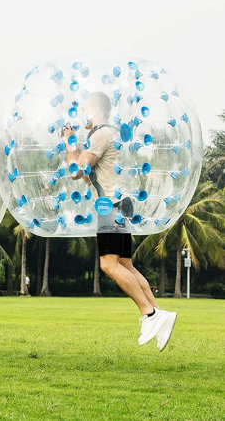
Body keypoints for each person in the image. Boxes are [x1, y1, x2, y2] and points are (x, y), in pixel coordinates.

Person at [63, 92, 176, 352]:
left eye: (85, 109)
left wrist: (70, 146)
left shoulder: (99, 134)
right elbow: (87, 164)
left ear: (94, 108)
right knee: (126, 264)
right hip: (121, 204)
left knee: (108, 265)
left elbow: (77, 172)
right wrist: (75, 145)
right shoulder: (109, 134)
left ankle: (149, 314)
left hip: (110, 206)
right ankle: (159, 314)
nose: (82, 115)